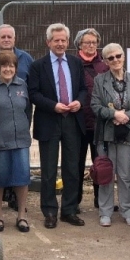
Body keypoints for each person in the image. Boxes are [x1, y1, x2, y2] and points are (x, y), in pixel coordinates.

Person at [28, 23, 87, 228]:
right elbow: (33, 93)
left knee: (72, 168)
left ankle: (69, 210)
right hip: (49, 121)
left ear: (68, 42)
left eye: (63, 40)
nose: (60, 43)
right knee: (49, 170)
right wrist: (53, 106)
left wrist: (79, 101)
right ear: (48, 42)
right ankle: (50, 212)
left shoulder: (75, 63)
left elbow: (82, 89)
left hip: (72, 120)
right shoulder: (38, 66)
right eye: (56, 40)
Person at [0, 24, 33, 213]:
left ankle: (17, 203)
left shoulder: (27, 59)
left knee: (20, 172)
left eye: (10, 36)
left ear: (14, 39)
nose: (6, 39)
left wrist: (26, 125)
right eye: (3, 37)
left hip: (19, 127)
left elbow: (28, 103)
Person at [90, 43, 130, 227]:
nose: (115, 60)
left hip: (127, 133)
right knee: (106, 173)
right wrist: (114, 114)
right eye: (110, 57)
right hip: (106, 134)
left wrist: (126, 117)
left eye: (118, 56)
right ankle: (105, 211)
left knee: (125, 174)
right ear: (105, 61)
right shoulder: (100, 80)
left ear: (123, 57)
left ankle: (127, 210)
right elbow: (95, 106)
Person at [0, 51, 32, 233]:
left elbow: (28, 111)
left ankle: (21, 215)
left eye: (11, 66)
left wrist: (24, 128)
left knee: (22, 178)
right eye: (4, 65)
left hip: (20, 140)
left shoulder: (22, 85)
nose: (8, 69)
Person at [74, 28, 109, 210]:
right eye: (87, 42)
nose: (91, 46)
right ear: (79, 44)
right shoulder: (72, 64)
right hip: (77, 123)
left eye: (94, 42)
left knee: (101, 163)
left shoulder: (104, 66)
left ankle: (100, 200)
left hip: (100, 124)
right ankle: (75, 200)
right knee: (76, 164)